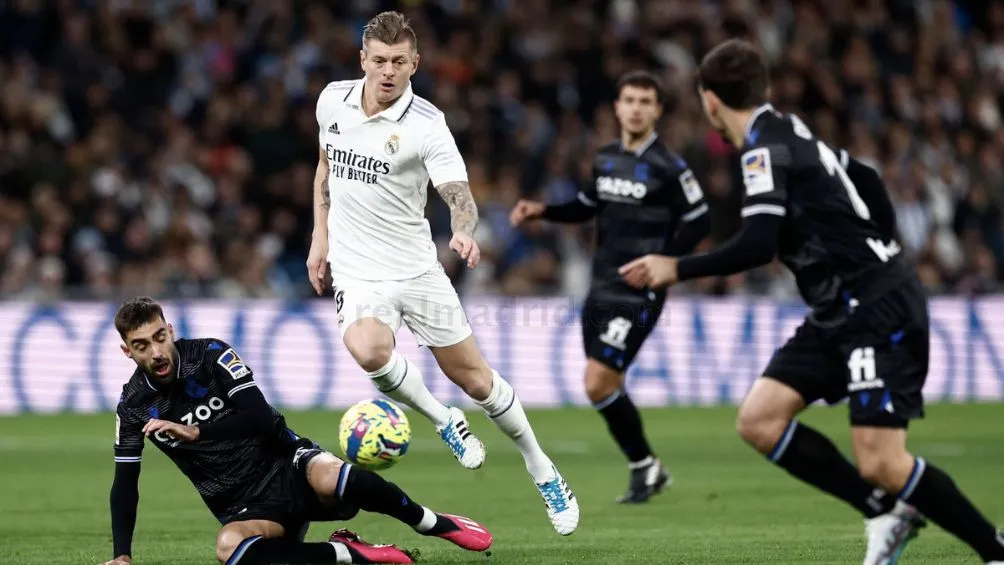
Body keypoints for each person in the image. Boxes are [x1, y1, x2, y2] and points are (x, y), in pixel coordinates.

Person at [619, 39, 1004, 565]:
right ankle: (885, 512)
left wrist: (675, 268)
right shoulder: (790, 130)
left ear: (709, 101)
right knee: (759, 419)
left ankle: (993, 549)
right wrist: (881, 242)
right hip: (838, 310)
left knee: (882, 462)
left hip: (875, 307)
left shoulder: (762, 149)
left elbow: (757, 243)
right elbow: (865, 177)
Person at [304, 11, 577, 535]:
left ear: (415, 64)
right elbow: (325, 167)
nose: (388, 72)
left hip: (416, 271)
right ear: (362, 59)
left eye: (398, 63)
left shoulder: (427, 124)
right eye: (379, 61)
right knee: (368, 350)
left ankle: (542, 469)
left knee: (477, 381)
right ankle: (441, 418)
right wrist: (321, 237)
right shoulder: (331, 100)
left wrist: (464, 230)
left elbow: (459, 194)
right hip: (359, 271)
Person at [101, 297, 493, 565]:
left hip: (289, 464)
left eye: (159, 337)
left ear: (170, 330)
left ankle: (431, 522)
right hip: (244, 506)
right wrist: (123, 555)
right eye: (141, 345)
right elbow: (125, 482)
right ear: (127, 352)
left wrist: (196, 432)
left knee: (330, 474)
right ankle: (349, 554)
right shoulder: (133, 405)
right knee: (228, 549)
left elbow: (258, 417)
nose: (155, 352)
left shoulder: (211, 354)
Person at [509, 70, 709, 503]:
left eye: (645, 101)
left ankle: (645, 465)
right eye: (629, 100)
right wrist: (542, 210)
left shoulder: (671, 166)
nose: (636, 108)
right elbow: (586, 205)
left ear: (657, 110)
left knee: (597, 382)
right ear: (617, 107)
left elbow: (700, 218)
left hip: (641, 292)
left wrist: (667, 261)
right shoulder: (604, 159)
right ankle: (646, 468)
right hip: (601, 287)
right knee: (606, 385)